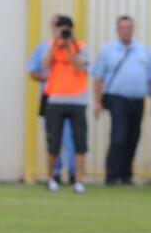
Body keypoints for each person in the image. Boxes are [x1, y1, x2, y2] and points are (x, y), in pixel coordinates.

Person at [93, 15, 151, 185]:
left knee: (134, 136)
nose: (126, 31)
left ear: (133, 29)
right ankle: (112, 175)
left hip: (138, 99)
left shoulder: (143, 51)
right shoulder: (107, 51)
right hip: (117, 99)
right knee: (119, 136)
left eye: (129, 27)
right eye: (123, 27)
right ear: (118, 30)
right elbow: (98, 78)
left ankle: (126, 174)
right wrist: (97, 101)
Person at [37, 15, 90, 193]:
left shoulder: (81, 47)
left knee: (79, 141)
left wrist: (68, 47)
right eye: (61, 28)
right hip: (55, 99)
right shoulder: (52, 46)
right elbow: (44, 64)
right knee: (54, 141)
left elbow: (78, 67)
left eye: (67, 28)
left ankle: (79, 180)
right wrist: (56, 43)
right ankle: (51, 178)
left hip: (77, 100)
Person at [28, 15, 76, 185]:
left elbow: (80, 69)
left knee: (71, 138)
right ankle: (54, 173)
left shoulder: (77, 47)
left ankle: (73, 173)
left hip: (72, 99)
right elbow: (35, 70)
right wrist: (50, 78)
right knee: (53, 137)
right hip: (50, 97)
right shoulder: (45, 47)